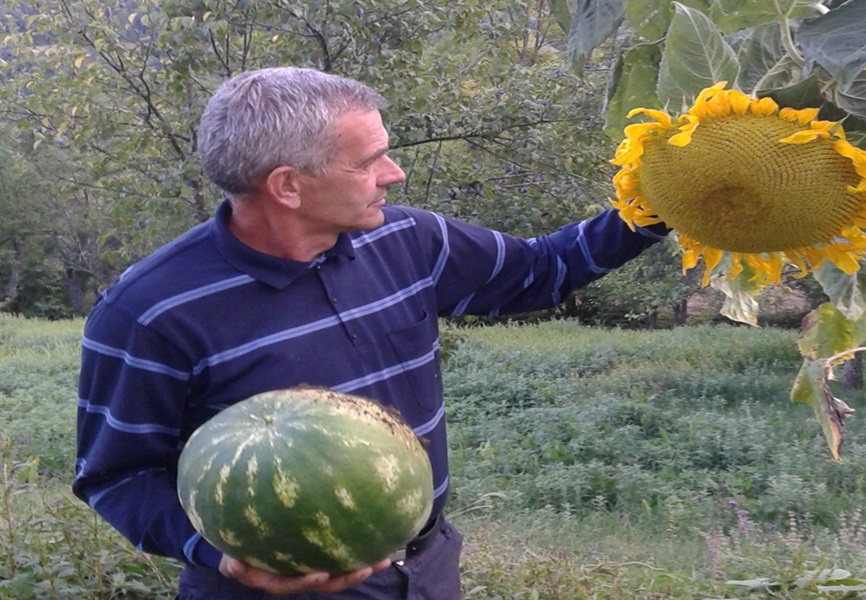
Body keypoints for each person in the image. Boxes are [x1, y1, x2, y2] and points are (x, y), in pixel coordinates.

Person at [73, 66, 667, 599]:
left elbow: (542, 270)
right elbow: (115, 476)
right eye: (367, 161)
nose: (395, 173)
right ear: (287, 186)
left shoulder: (409, 240)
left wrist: (660, 201)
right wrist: (221, 556)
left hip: (427, 569)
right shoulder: (150, 312)